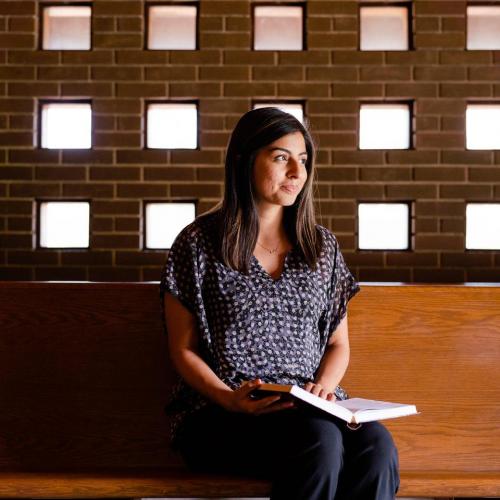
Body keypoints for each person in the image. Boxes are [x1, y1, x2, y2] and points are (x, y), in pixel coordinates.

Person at [159, 107, 400, 500]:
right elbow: (182, 349)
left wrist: (323, 388)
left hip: (310, 407)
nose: (296, 173)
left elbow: (339, 343)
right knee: (320, 442)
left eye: (303, 161)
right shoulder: (198, 243)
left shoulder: (320, 247)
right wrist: (228, 398)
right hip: (222, 412)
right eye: (281, 157)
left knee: (377, 447)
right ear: (243, 160)